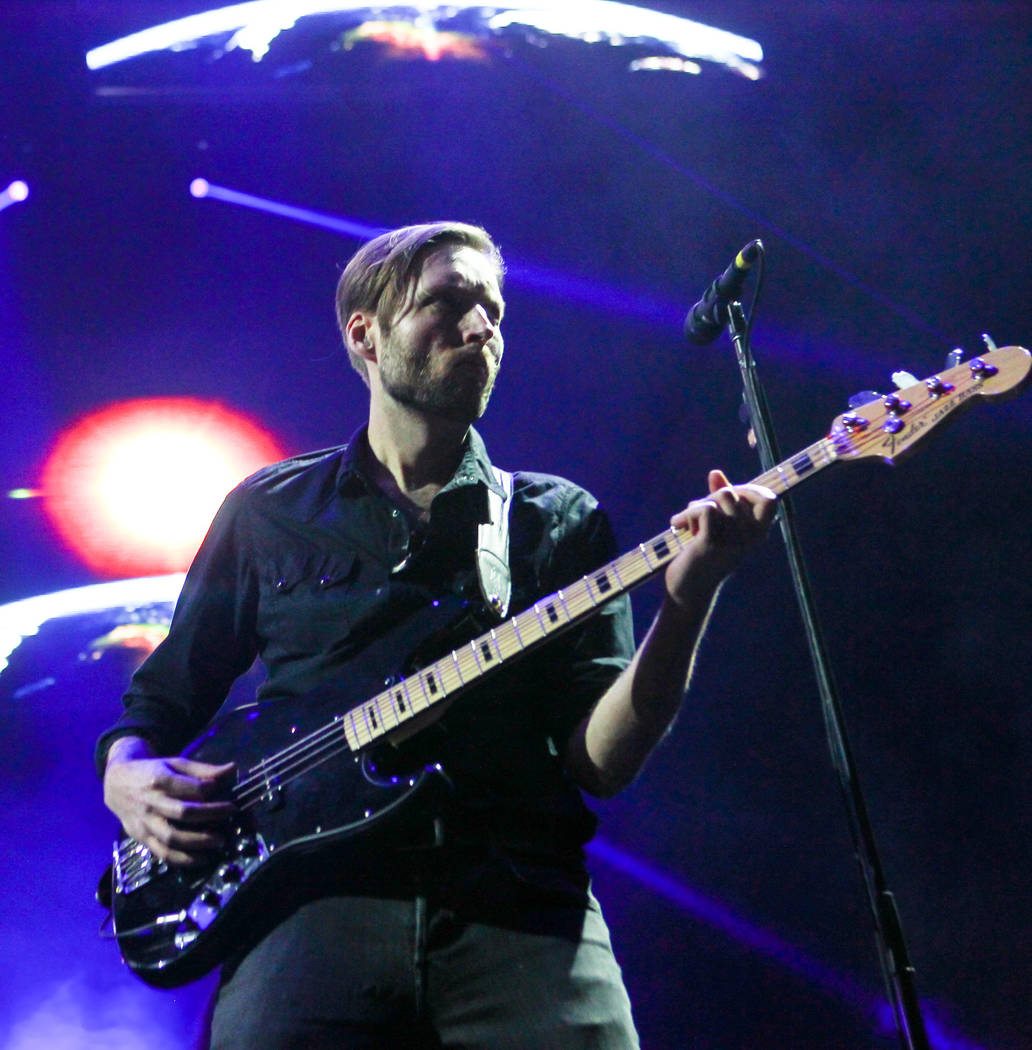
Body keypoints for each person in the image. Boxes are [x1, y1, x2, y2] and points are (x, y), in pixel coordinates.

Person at [98, 221, 776, 1049]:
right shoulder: (269, 510)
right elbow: (163, 698)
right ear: (366, 337)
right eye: (449, 302)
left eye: (494, 310)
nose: (482, 326)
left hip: (518, 902)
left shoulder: (555, 520)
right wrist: (124, 774)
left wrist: (690, 596)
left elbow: (601, 763)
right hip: (309, 909)